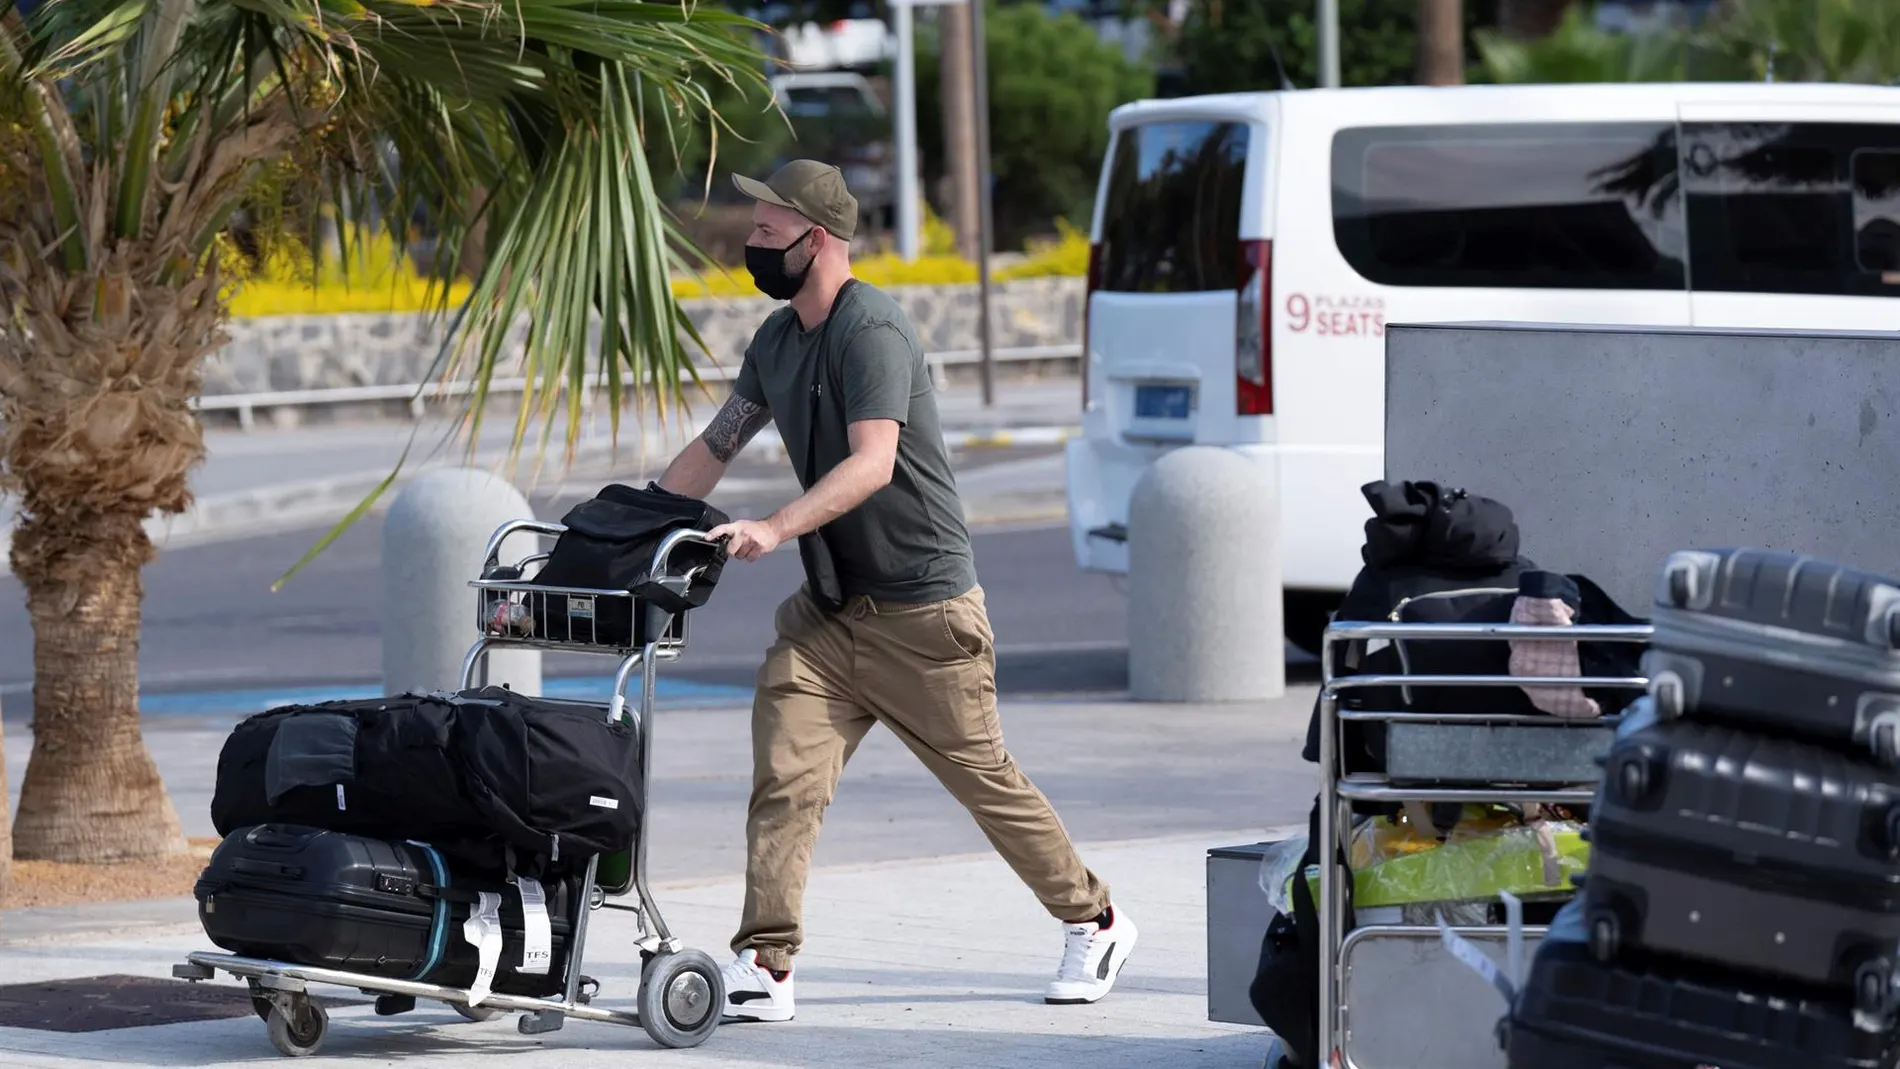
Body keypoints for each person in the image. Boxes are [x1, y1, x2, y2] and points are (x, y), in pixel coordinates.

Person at [655, 159, 1137, 1023]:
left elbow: (873, 463)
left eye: (768, 231)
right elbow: (717, 445)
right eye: (754, 227)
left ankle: (1095, 919)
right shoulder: (776, 339)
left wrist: (775, 527)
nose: (751, 242)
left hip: (924, 613)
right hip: (832, 616)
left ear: (820, 240)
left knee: (986, 782)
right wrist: (636, 519)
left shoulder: (870, 328)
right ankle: (766, 963)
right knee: (785, 775)